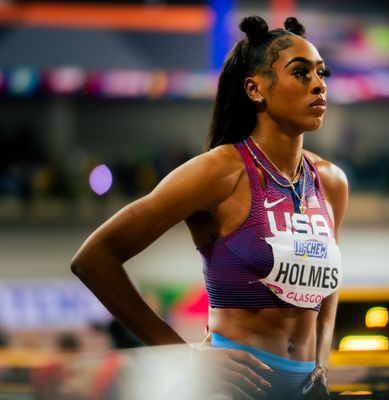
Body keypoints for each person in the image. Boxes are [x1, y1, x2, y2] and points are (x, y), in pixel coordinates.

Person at [71, 15, 347, 400]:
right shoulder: (219, 172)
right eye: (301, 73)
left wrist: (323, 362)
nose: (319, 85)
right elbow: (93, 259)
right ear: (255, 89)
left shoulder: (331, 182)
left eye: (322, 74)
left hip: (306, 391)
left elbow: (329, 283)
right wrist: (182, 358)